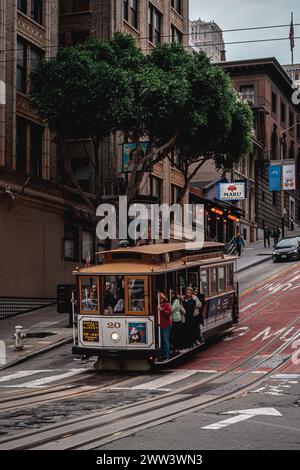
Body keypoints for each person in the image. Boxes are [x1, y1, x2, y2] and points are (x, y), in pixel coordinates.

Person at [157, 293, 172, 361]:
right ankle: (161, 354)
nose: (159, 300)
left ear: (163, 298)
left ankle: (166, 356)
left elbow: (168, 314)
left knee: (165, 340)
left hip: (166, 325)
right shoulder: (157, 305)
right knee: (161, 341)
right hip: (159, 326)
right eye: (158, 298)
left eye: (160, 298)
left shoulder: (167, 305)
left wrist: (161, 310)